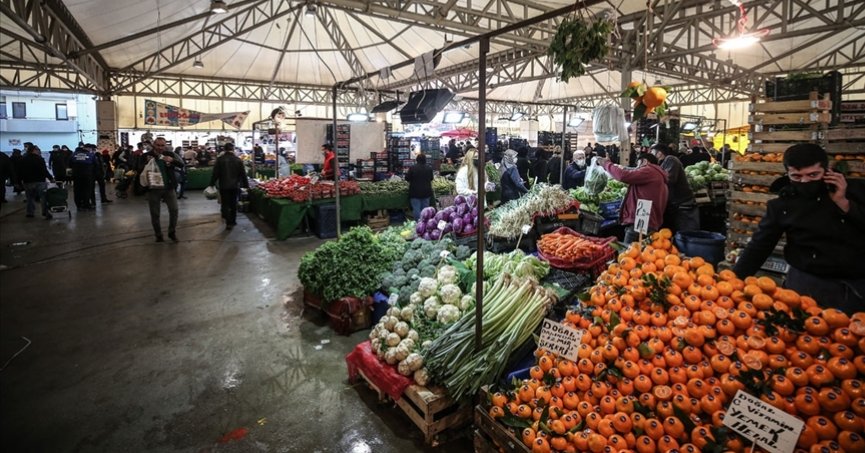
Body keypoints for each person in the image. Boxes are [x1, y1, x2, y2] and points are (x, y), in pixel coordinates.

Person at [733, 144, 865, 315]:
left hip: (854, 286)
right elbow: (760, 245)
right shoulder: (782, 205)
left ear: (827, 170)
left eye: (813, 175)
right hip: (804, 283)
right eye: (797, 176)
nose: (805, 182)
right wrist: (733, 280)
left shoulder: (855, 191)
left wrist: (844, 204)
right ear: (787, 174)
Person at [598, 153, 669, 244]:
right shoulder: (658, 175)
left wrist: (607, 164)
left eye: (638, 164)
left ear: (644, 161)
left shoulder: (649, 171)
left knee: (628, 254)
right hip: (649, 221)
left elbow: (623, 176)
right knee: (641, 254)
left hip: (641, 222)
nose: (637, 168)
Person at [140, 137, 183, 242]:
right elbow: (138, 169)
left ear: (165, 145)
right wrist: (147, 164)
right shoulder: (146, 156)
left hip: (169, 188)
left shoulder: (170, 154)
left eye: (162, 145)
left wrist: (172, 160)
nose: (160, 147)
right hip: (153, 189)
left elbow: (181, 164)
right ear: (154, 145)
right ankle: (158, 234)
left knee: (174, 210)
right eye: (158, 145)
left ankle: (172, 233)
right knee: (155, 213)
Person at [650, 144, 700, 233]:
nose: (651, 155)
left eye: (653, 153)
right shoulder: (662, 163)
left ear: (659, 153)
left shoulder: (671, 159)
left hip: (683, 204)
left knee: (685, 234)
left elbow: (669, 179)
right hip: (675, 204)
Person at [210, 143, 249, 230]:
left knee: (225, 203)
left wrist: (211, 183)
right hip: (235, 185)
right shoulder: (238, 160)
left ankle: (228, 222)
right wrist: (246, 185)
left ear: (224, 149)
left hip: (223, 185)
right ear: (233, 149)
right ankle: (233, 220)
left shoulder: (220, 160)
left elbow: (215, 173)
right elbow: (243, 174)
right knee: (233, 203)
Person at [18, 145, 55, 219]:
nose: (39, 151)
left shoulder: (23, 159)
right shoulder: (39, 159)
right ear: (34, 150)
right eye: (38, 149)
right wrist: (51, 178)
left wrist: (19, 181)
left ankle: (30, 213)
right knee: (44, 198)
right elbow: (44, 170)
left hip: (28, 182)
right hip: (40, 181)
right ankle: (45, 212)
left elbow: (20, 171)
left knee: (30, 198)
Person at [405, 153, 434, 220]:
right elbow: (431, 178)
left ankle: (418, 223)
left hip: (415, 192)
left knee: (416, 209)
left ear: (417, 160)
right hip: (426, 191)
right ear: (425, 160)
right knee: (425, 209)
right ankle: (425, 223)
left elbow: (407, 178)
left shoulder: (412, 168)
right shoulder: (429, 168)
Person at [70, 145, 97, 210]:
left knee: (77, 190)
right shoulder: (90, 155)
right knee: (87, 190)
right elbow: (96, 165)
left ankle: (78, 205)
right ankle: (86, 204)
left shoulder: (73, 155)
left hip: (76, 176)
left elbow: (69, 165)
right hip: (87, 175)